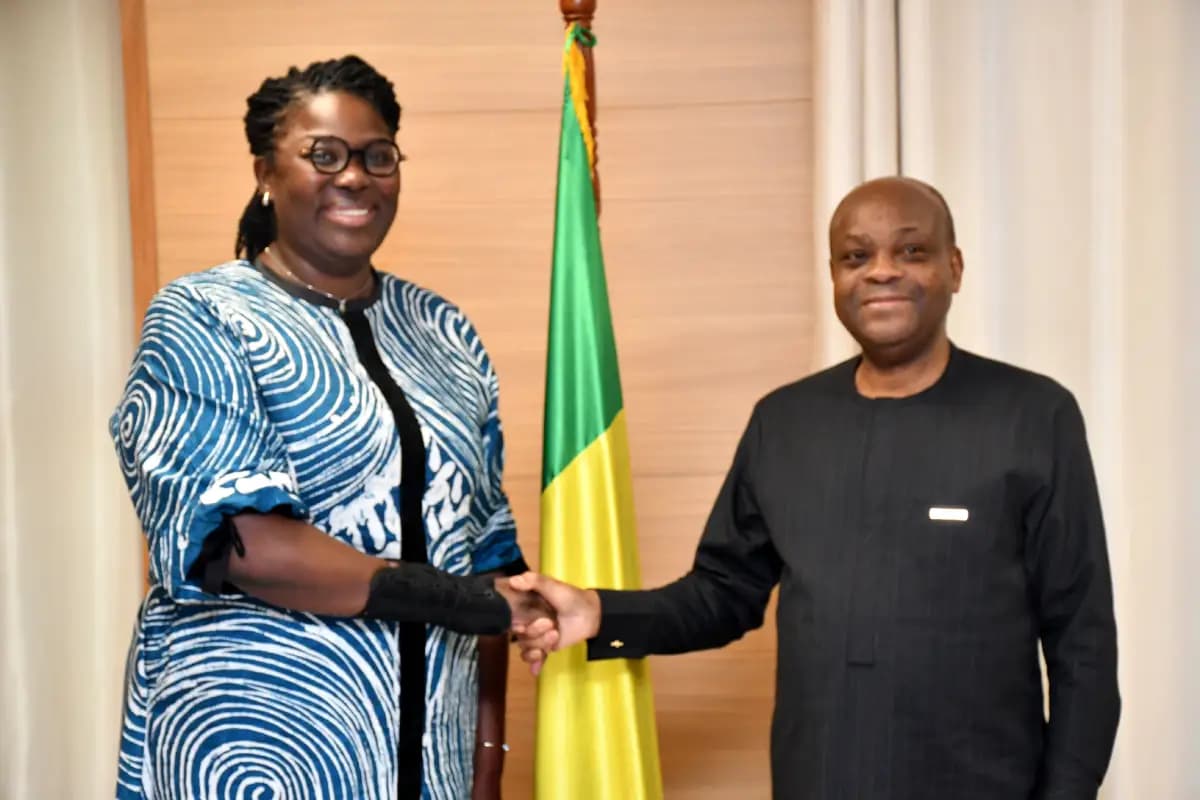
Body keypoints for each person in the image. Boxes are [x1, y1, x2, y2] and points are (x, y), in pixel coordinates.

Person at [514, 177, 1121, 799]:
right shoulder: (784, 422)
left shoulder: (1033, 416)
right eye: (856, 256)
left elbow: (1084, 644)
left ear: (955, 267)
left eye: (911, 251)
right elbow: (723, 594)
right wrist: (600, 613)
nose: (881, 271)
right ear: (834, 275)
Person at [111, 55, 545, 800]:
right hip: (253, 757)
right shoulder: (204, 316)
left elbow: (490, 560)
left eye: (378, 156)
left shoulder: (443, 330)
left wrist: (487, 754)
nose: (354, 177)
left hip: (431, 765)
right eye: (324, 154)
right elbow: (247, 548)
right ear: (265, 172)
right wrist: (468, 602)